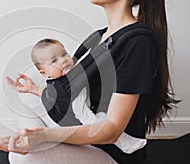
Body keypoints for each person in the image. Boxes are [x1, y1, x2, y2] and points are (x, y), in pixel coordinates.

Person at [0, 0, 180, 164]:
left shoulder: (137, 43)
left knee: (22, 158)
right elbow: (73, 89)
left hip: (113, 155)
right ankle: (43, 147)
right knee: (27, 97)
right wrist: (35, 91)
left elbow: (112, 130)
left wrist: (43, 136)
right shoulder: (99, 37)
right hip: (86, 133)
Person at [8, 37, 147, 154]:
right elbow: (51, 96)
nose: (63, 60)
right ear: (45, 73)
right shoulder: (60, 85)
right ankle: (126, 142)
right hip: (76, 116)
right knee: (96, 120)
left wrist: (32, 88)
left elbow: (49, 94)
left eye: (63, 54)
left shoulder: (68, 76)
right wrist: (32, 89)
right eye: (54, 61)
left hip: (71, 116)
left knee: (102, 119)